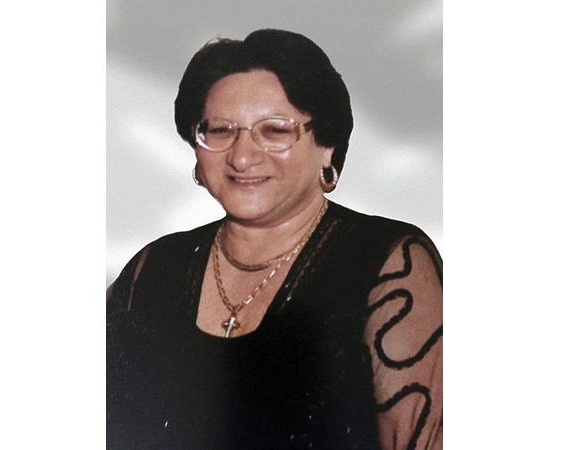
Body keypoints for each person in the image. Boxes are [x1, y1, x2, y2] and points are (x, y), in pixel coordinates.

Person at [107, 28, 442, 449]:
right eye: (220, 130)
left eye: (275, 131)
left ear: (327, 145)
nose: (243, 156)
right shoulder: (153, 269)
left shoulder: (389, 262)